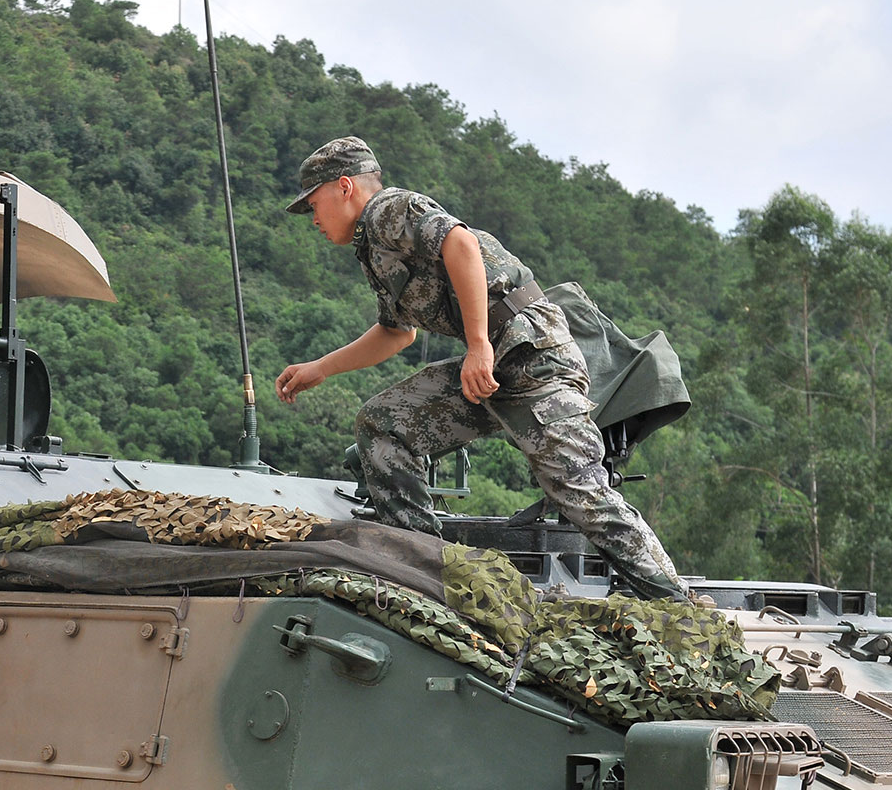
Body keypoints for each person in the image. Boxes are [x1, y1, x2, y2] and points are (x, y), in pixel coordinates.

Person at [274, 136, 689, 603]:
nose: (312, 218)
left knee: (578, 491)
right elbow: (397, 332)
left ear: (345, 187)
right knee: (386, 423)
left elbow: (462, 245)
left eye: (313, 203)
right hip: (492, 365)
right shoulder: (375, 248)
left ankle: (677, 602)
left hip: (531, 357)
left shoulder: (390, 210)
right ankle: (422, 571)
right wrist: (320, 369)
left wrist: (476, 347)